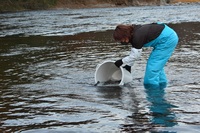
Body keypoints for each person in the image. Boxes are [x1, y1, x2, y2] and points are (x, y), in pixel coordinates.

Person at [113, 23, 178, 89]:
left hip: (167, 39)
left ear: (125, 35)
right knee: (157, 66)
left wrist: (121, 61)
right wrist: (129, 65)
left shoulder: (137, 37)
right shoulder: (133, 32)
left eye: (121, 39)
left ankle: (152, 91)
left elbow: (135, 56)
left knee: (152, 68)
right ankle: (162, 85)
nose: (121, 42)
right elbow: (133, 53)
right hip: (166, 34)